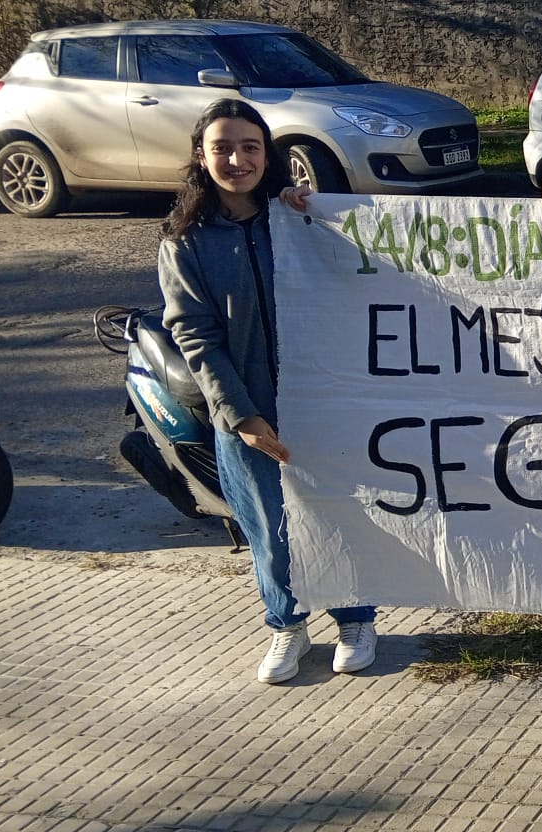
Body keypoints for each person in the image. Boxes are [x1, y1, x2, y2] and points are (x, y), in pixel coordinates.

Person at [157, 98, 379, 684]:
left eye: (250, 146)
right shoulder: (186, 241)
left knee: (339, 511)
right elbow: (195, 334)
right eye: (222, 148)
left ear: (268, 154)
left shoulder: (301, 217)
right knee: (269, 524)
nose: (237, 159)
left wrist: (319, 216)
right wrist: (241, 415)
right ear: (201, 159)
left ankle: (355, 618)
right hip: (249, 410)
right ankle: (287, 625)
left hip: (324, 400)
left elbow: (368, 278)